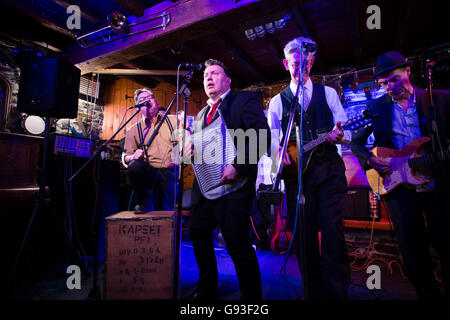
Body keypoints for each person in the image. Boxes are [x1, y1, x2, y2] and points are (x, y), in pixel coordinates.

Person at [351, 51, 450, 299]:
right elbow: (355, 143)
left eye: (393, 80)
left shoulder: (439, 100)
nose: (389, 87)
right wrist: (370, 160)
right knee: (413, 254)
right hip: (399, 188)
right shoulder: (376, 107)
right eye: (383, 84)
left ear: (407, 71)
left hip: (437, 184)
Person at [265, 36, 350, 300]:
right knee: (304, 240)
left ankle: (337, 294)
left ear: (311, 63)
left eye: (304, 63)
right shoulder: (278, 102)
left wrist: (339, 135)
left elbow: (344, 131)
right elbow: (270, 140)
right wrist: (278, 153)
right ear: (285, 64)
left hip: (329, 173)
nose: (299, 68)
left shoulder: (329, 94)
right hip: (296, 179)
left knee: (334, 237)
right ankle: (312, 294)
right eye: (294, 64)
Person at [188, 59, 270, 300]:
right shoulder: (202, 113)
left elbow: (262, 137)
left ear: (228, 80)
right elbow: (202, 147)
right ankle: (207, 290)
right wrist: (191, 148)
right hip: (205, 187)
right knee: (199, 235)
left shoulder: (243, 100)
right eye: (205, 75)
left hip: (234, 186)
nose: (208, 77)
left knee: (237, 244)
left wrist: (239, 166)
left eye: (214, 73)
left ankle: (252, 298)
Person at [123, 88, 178, 212]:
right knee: (134, 166)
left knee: (166, 211)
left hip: (169, 172)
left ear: (155, 101)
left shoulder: (173, 120)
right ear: (138, 107)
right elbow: (127, 158)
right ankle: (143, 202)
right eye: (142, 100)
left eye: (149, 98)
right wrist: (132, 157)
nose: (147, 101)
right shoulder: (133, 129)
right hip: (150, 172)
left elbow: (184, 141)